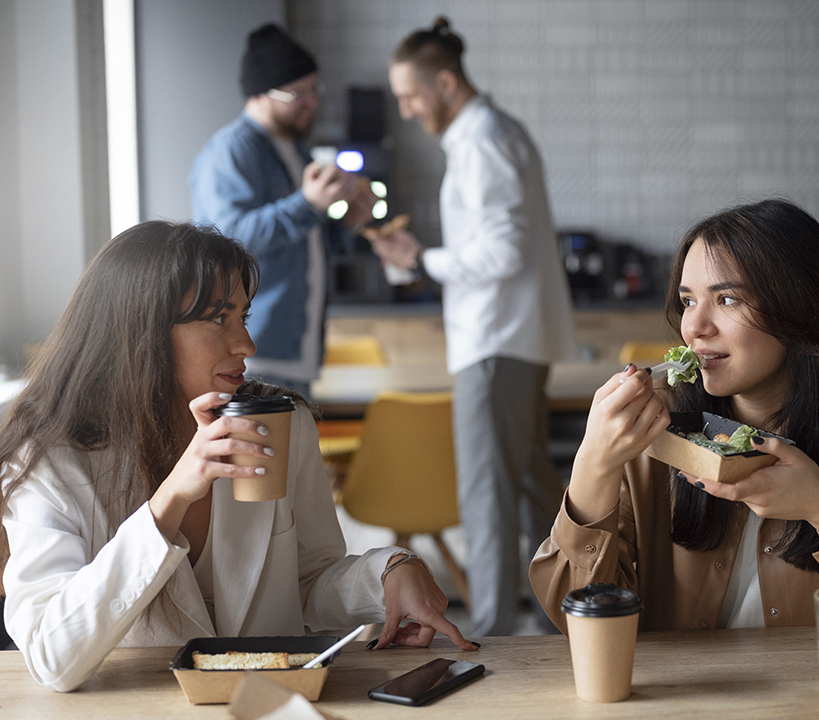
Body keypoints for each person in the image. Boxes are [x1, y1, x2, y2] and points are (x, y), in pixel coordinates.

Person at [0, 221, 474, 692]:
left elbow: (307, 580)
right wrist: (168, 503)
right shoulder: (52, 458)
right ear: (140, 330)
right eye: (218, 318)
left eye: (243, 317)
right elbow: (50, 658)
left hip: (271, 706)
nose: (246, 345)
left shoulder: (279, 424)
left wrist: (389, 572)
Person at [530, 198, 819, 643]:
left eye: (727, 298)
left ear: (799, 307)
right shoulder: (649, 423)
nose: (694, 327)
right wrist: (592, 465)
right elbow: (574, 618)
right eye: (688, 300)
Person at [366, 17, 577, 636]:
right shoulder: (489, 134)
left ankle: (492, 635)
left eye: (411, 95)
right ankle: (558, 616)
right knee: (531, 486)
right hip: (513, 339)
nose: (406, 110)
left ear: (446, 82)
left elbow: (503, 253)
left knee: (487, 498)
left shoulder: (482, 140)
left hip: (494, 342)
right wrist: (420, 259)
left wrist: (419, 259)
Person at [190, 23, 375, 396]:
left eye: (314, 89)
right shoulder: (232, 151)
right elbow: (228, 242)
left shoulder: (298, 150)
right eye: (297, 93)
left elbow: (307, 244)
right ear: (260, 94)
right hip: (251, 354)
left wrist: (348, 222)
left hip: (298, 350)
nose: (312, 101)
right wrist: (308, 203)